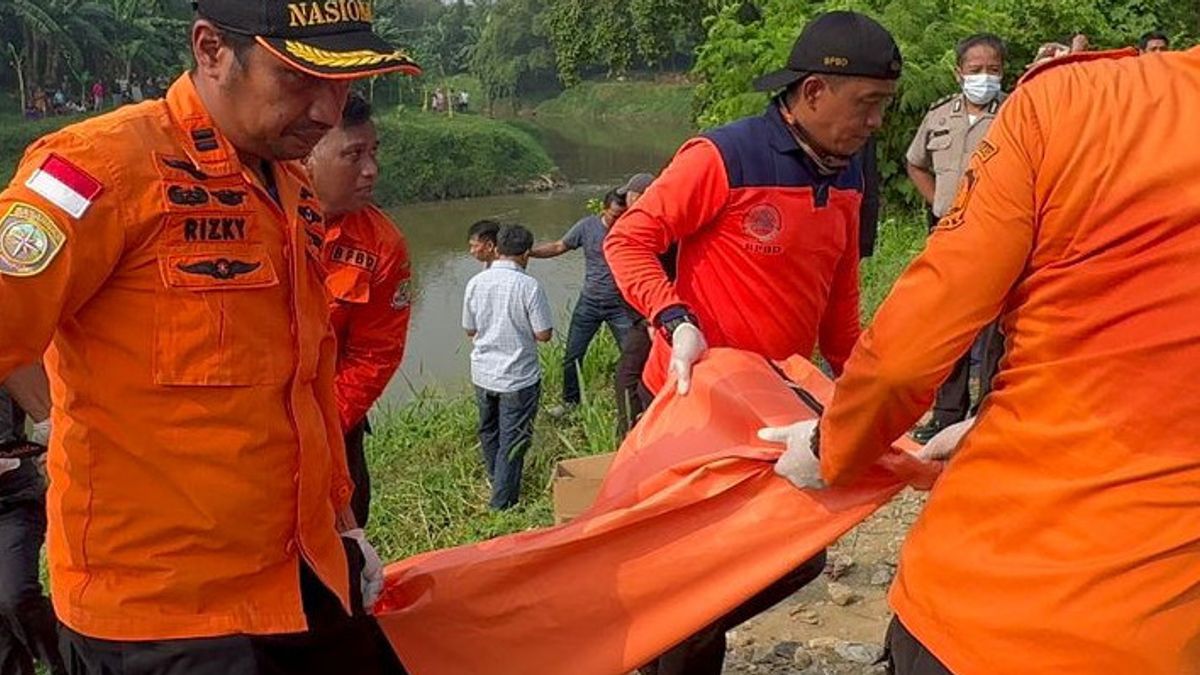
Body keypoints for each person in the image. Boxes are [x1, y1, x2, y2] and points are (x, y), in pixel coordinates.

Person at [0, 0, 422, 672]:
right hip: (166, 617)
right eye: (299, 79)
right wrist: (50, 419)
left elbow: (309, 375)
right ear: (211, 50)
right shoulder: (99, 170)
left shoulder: (295, 193)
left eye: (340, 83)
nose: (327, 112)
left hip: (304, 577)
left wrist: (344, 525)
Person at [766, 46, 1200, 674]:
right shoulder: (725, 158)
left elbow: (909, 348)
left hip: (991, 603)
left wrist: (833, 443)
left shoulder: (1078, 101)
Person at [606, 12, 901, 675]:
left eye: (885, 107)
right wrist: (674, 317)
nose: (876, 122)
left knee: (783, 560)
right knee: (684, 571)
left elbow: (840, 309)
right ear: (816, 92)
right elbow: (630, 240)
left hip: (775, 419)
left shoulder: (849, 175)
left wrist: (877, 399)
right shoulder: (723, 157)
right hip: (689, 401)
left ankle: (666, 648)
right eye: (867, 105)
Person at [308, 92, 413, 529]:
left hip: (334, 428)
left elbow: (375, 355)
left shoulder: (382, 246)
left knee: (342, 558)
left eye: (373, 152)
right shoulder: (258, 218)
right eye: (353, 154)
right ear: (304, 155)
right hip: (244, 424)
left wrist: (319, 426)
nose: (371, 169)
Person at [905, 33, 1008, 443]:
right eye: (976, 70)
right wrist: (938, 204)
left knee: (996, 329)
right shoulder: (939, 116)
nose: (985, 77)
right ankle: (947, 414)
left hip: (997, 232)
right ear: (958, 72)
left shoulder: (1014, 112)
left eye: (993, 70)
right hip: (947, 232)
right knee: (951, 325)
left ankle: (990, 414)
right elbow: (916, 164)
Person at [462, 224, 553, 510]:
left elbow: (469, 329)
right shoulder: (529, 286)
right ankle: (502, 504)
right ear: (526, 254)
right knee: (513, 440)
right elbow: (544, 334)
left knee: (489, 431)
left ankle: (496, 478)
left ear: (497, 249)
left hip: (483, 373)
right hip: (518, 377)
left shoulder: (476, 282)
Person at [531, 189, 633, 414]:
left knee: (632, 356)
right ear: (604, 209)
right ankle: (570, 403)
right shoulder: (587, 227)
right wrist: (527, 252)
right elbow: (559, 246)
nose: (619, 220)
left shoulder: (632, 228)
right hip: (590, 302)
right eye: (615, 215)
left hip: (621, 306)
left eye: (623, 214)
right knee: (573, 355)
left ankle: (633, 403)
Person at [0, 369, 63, 675]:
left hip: (13, 498)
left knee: (15, 595)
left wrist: (50, 429)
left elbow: (46, 419)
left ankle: (67, 661)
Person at [610, 172, 661, 436]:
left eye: (629, 195)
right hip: (646, 317)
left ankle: (633, 434)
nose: (625, 200)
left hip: (657, 317)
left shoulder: (653, 230)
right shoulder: (636, 226)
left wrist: (652, 319)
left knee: (629, 378)